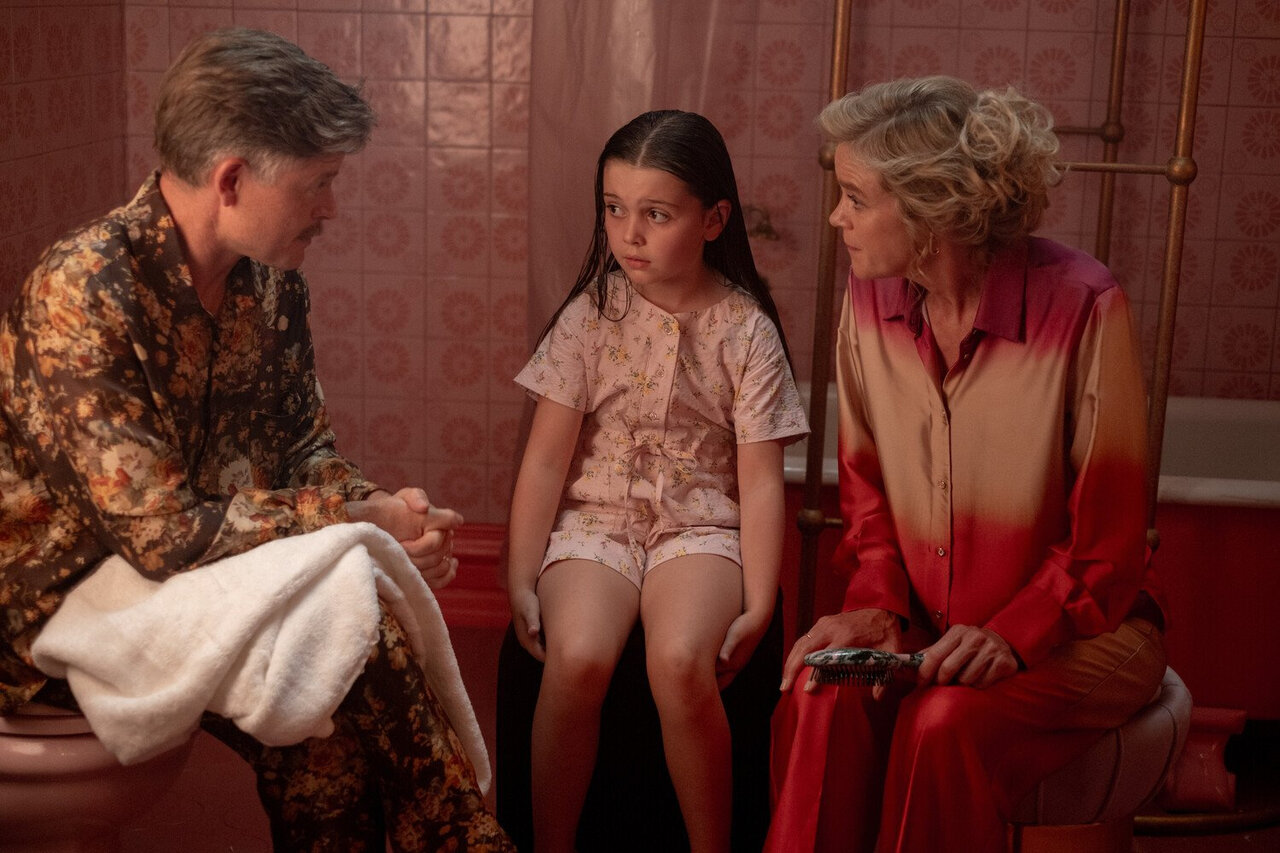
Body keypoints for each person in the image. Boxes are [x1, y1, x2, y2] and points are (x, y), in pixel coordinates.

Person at [0, 28, 513, 852]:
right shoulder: (86, 290)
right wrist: (358, 525)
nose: (331, 208)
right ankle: (464, 835)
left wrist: (382, 508)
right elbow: (160, 533)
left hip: (179, 581)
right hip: (57, 608)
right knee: (362, 625)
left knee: (324, 718)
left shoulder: (272, 287)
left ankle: (454, 833)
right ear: (232, 180)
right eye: (319, 184)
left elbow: (303, 450)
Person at [765, 76, 1168, 853]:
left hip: (1089, 631)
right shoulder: (869, 299)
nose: (836, 217)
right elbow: (867, 496)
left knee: (939, 721)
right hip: (930, 622)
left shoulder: (1085, 304)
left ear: (931, 208)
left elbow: (1106, 540)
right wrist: (879, 607)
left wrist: (1013, 634)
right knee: (824, 688)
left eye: (855, 198)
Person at [506, 109, 809, 853]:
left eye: (656, 214)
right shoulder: (590, 316)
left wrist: (762, 600)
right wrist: (518, 576)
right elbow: (545, 460)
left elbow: (760, 481)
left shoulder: (746, 330)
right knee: (578, 656)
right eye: (614, 209)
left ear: (713, 220)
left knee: (678, 660)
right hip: (595, 521)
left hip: (700, 524)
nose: (629, 234)